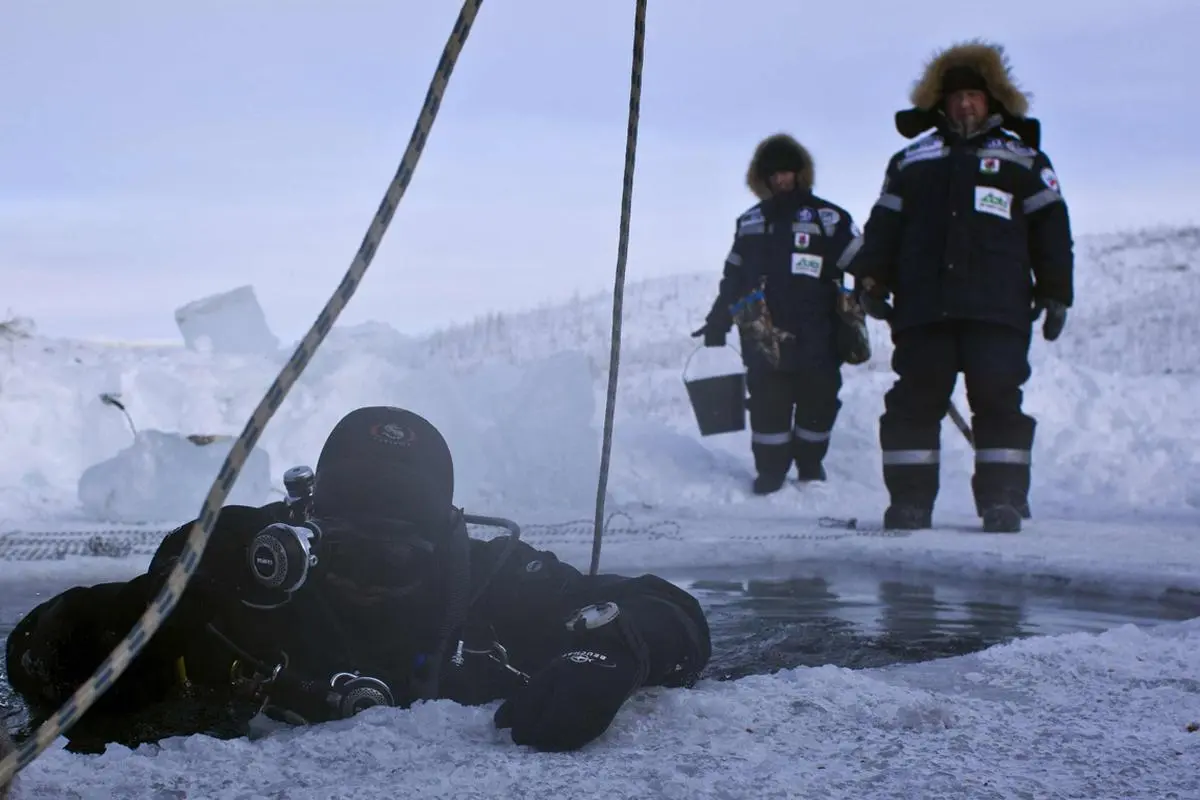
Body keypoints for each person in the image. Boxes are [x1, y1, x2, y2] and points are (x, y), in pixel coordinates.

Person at [4, 406, 711, 756]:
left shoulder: (486, 577)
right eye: (347, 549)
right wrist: (166, 608)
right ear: (305, 526)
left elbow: (672, 614)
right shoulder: (247, 565)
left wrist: (614, 646)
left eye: (397, 556)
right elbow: (35, 655)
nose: (370, 575)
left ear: (443, 540)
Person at [845, 40, 1074, 533]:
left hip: (998, 308)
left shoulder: (1024, 159)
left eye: (974, 95)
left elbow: (1052, 230)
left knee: (997, 400)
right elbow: (883, 227)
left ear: (992, 101)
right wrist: (870, 278)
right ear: (941, 104)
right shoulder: (911, 161)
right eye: (956, 97)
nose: (965, 104)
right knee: (913, 403)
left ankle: (1002, 501)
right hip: (924, 308)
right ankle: (909, 504)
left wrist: (1056, 291)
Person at [693, 133, 868, 496]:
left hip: (819, 334)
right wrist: (717, 320)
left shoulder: (828, 218)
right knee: (767, 408)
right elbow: (734, 279)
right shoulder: (750, 222)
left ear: (800, 174)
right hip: (763, 337)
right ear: (763, 179)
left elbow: (863, 263)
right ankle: (770, 473)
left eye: (787, 173)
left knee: (818, 403)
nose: (780, 180)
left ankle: (809, 464)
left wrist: (876, 293)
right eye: (773, 174)